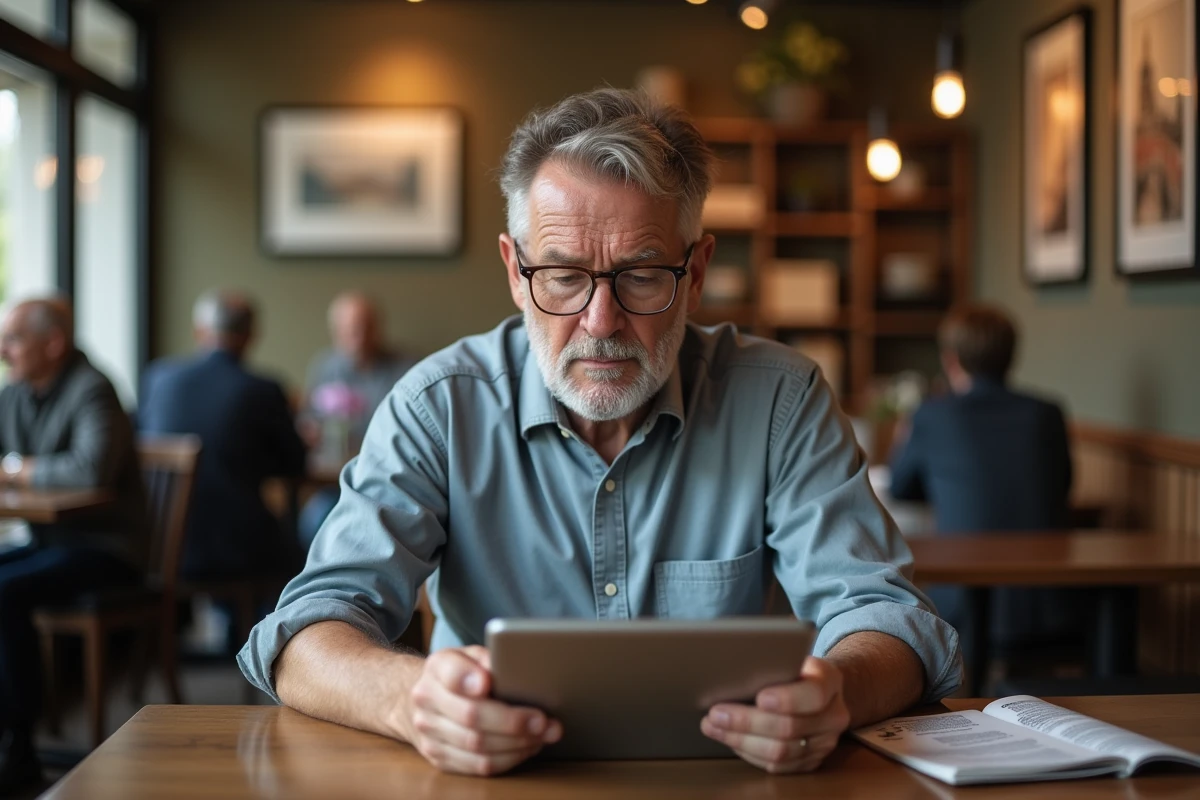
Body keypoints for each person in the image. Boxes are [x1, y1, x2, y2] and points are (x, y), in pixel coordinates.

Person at [239, 88, 961, 777]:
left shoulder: (779, 400)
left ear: (698, 269)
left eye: (643, 275)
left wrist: (837, 690)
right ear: (516, 274)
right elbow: (305, 634)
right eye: (562, 276)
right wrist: (410, 700)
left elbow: (887, 617)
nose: (601, 321)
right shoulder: (438, 407)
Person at [0, 298, 145, 793]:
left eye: (13, 339)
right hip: (50, 539)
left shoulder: (93, 389)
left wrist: (19, 469)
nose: (3, 350)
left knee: (6, 592)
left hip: (108, 549)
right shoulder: (15, 393)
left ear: (54, 343)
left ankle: (18, 744)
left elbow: (90, 470)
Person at [888, 305, 1074, 651]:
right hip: (1047, 600)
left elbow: (901, 487)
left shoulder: (931, 414)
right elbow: (1061, 486)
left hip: (960, 603)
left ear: (951, 359)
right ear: (1011, 356)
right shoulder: (1047, 414)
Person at [139, 290, 307, 581]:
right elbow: (295, 464)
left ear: (199, 331)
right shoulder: (262, 389)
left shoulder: (158, 378)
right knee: (300, 547)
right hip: (237, 549)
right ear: (251, 335)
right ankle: (263, 627)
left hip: (158, 546)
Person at [297, 292, 415, 546]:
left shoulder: (404, 369)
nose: (358, 335)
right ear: (335, 331)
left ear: (378, 328)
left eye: (365, 326)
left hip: (389, 483)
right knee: (313, 522)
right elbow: (308, 420)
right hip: (334, 483)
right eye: (350, 328)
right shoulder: (325, 366)